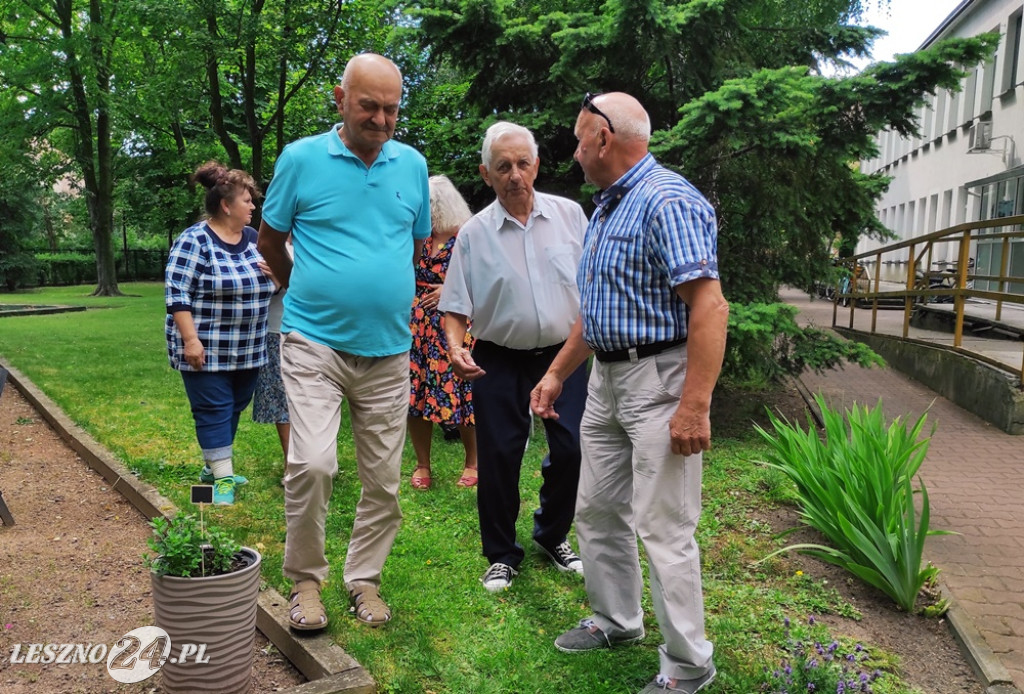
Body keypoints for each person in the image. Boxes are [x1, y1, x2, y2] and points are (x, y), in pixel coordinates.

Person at [530, 93, 729, 694]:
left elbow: (709, 306)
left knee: (663, 525)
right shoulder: (611, 208)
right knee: (595, 509)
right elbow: (599, 315)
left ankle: (689, 665)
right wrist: (558, 372)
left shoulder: (665, 199)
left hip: (661, 380)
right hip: (608, 381)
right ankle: (617, 620)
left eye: (577, 137)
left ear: (604, 138)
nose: (573, 149)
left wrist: (695, 404)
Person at [257, 53, 430, 631]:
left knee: (383, 479)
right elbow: (270, 239)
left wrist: (382, 291)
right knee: (311, 462)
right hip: (314, 343)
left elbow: (413, 247)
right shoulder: (301, 159)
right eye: (369, 106)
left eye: (391, 109)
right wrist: (299, 287)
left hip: (388, 348)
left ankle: (364, 579)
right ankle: (306, 581)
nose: (381, 119)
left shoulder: (411, 166)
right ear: (339, 98)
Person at [439, 121, 589, 592]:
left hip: (564, 357)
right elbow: (455, 307)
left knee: (573, 449)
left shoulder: (571, 216)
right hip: (498, 357)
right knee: (500, 456)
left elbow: (592, 289)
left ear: (537, 165)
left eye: (523, 163)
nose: (515, 175)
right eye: (503, 166)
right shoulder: (474, 235)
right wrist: (455, 346)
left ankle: (552, 535)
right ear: (486, 174)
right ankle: (502, 554)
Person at [165, 161, 272, 506]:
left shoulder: (255, 240)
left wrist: (280, 276)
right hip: (206, 346)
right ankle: (223, 482)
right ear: (226, 206)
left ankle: (213, 469)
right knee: (214, 408)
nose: (254, 206)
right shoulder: (194, 240)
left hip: (248, 348)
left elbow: (276, 286)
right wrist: (190, 340)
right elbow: (177, 294)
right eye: (247, 200)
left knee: (234, 407)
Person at [408, 175, 478, 490]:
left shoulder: (466, 236)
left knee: (462, 394)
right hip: (417, 327)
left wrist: (449, 288)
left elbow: (484, 280)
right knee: (416, 395)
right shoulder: (417, 237)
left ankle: (473, 462)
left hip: (455, 324)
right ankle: (423, 464)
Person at [251, 237, 291, 479]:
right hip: (277, 331)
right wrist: (276, 284)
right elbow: (256, 290)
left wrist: (284, 279)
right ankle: (292, 464)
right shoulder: (269, 248)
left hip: (315, 333)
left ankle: (322, 458)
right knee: (281, 399)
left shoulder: (318, 242)